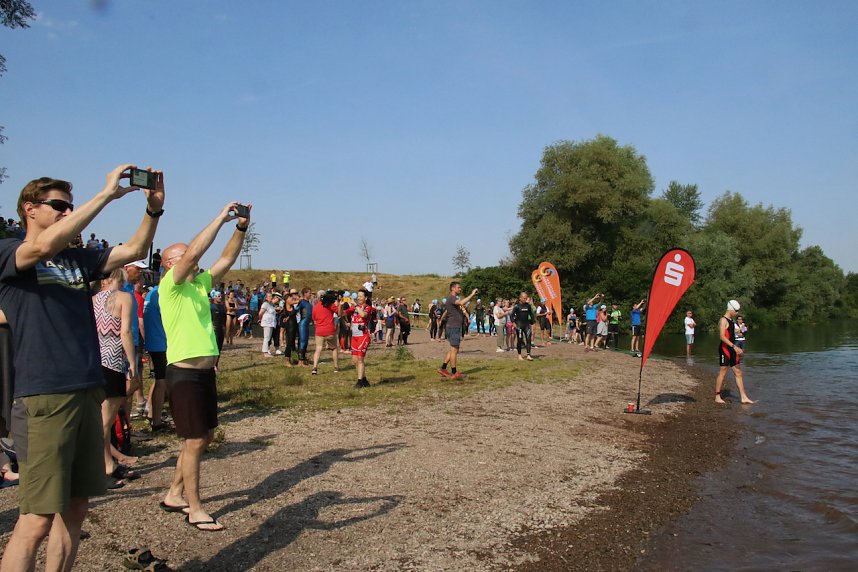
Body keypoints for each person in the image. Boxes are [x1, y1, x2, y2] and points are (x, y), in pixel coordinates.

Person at [0, 164, 164, 571]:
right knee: (36, 520)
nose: (66, 212)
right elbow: (38, 250)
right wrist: (105, 195)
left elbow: (134, 251)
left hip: (86, 390)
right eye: (58, 206)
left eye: (70, 206)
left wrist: (153, 211)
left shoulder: (76, 258)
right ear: (29, 209)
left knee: (76, 509)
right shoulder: (8, 249)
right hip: (44, 395)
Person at [158, 201, 250, 531]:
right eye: (184, 257)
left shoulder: (199, 286)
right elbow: (195, 253)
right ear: (170, 264)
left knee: (205, 436)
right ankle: (195, 507)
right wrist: (220, 218)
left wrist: (240, 227)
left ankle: (174, 493)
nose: (193, 261)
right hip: (183, 373)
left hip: (204, 372)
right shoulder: (170, 286)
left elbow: (225, 258)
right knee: (194, 441)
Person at [93, 268, 140, 483]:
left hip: (94, 359)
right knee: (106, 419)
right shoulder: (124, 298)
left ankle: (108, 462)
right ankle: (104, 466)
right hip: (113, 359)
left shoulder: (92, 299)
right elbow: (126, 332)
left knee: (100, 417)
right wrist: (132, 363)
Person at [143, 278, 169, 431]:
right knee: (162, 382)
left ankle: (151, 411)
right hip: (161, 343)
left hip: (154, 342)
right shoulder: (161, 294)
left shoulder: (151, 293)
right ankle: (157, 422)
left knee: (158, 380)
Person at [715, 300, 754, 405]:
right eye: (736, 310)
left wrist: (736, 346)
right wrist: (734, 346)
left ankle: (743, 396)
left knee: (738, 372)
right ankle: (717, 396)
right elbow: (722, 336)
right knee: (723, 372)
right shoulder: (723, 320)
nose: (737, 313)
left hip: (732, 349)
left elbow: (733, 333)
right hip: (725, 349)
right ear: (731, 309)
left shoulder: (731, 321)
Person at [437, 283, 478, 379]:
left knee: (453, 349)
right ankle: (454, 372)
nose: (460, 289)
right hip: (453, 327)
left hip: (453, 326)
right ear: (453, 288)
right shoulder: (452, 298)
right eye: (458, 287)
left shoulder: (451, 298)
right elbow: (461, 303)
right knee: (454, 350)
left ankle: (443, 368)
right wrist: (472, 294)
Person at [343, 289, 375, 387]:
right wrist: (340, 304)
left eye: (361, 296)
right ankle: (364, 379)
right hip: (354, 336)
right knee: (355, 360)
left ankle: (360, 381)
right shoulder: (354, 308)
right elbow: (342, 314)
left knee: (360, 359)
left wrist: (355, 306)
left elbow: (363, 315)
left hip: (363, 336)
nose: (359, 298)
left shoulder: (367, 307)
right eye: (358, 296)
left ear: (365, 298)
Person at [311, 291, 340, 374]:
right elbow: (338, 312)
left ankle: (314, 367)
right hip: (330, 330)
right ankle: (336, 367)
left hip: (319, 330)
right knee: (334, 348)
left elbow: (314, 318)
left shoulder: (315, 307)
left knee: (318, 349)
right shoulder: (330, 305)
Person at [511, 292, 536, 361]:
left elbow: (531, 314)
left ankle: (528, 355)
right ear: (520, 298)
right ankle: (519, 355)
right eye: (524, 298)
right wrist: (513, 322)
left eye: (526, 298)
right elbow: (512, 315)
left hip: (526, 325)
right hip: (519, 325)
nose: (525, 299)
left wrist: (532, 322)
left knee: (528, 339)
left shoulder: (528, 306)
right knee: (520, 339)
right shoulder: (517, 306)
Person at [296, 288, 313, 367]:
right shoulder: (302, 302)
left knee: (305, 342)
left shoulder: (308, 303)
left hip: (307, 324)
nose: (311, 294)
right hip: (302, 323)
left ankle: (303, 359)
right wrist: (288, 317)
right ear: (305, 294)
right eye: (309, 293)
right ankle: (300, 361)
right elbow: (295, 310)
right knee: (302, 342)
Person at [258, 292, 278, 357]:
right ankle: (265, 352)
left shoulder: (271, 305)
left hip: (271, 323)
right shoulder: (265, 304)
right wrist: (260, 320)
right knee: (266, 337)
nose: (271, 297)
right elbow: (260, 313)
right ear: (266, 298)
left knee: (268, 337)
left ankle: (267, 350)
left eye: (271, 296)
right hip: (266, 323)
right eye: (269, 296)